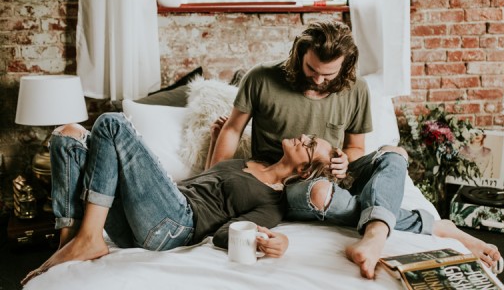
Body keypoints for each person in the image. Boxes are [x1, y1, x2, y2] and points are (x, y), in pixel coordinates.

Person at [206, 21, 502, 279]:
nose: (319, 80)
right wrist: (214, 180)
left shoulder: (356, 89)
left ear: (344, 67)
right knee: (318, 192)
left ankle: (374, 235)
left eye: (329, 74)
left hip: (339, 174)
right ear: (299, 53)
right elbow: (232, 129)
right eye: (311, 69)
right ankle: (434, 227)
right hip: (288, 180)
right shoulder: (261, 78)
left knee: (393, 154)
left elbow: (356, 148)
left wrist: (346, 162)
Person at [21, 112, 334, 285]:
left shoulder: (272, 201)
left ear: (305, 171)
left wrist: (267, 240)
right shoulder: (247, 161)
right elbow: (210, 182)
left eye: (309, 145)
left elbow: (226, 233)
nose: (303, 137)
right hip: (146, 218)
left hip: (175, 224)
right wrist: (215, 140)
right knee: (69, 135)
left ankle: (90, 238)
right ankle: (69, 244)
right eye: (309, 137)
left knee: (112, 123)